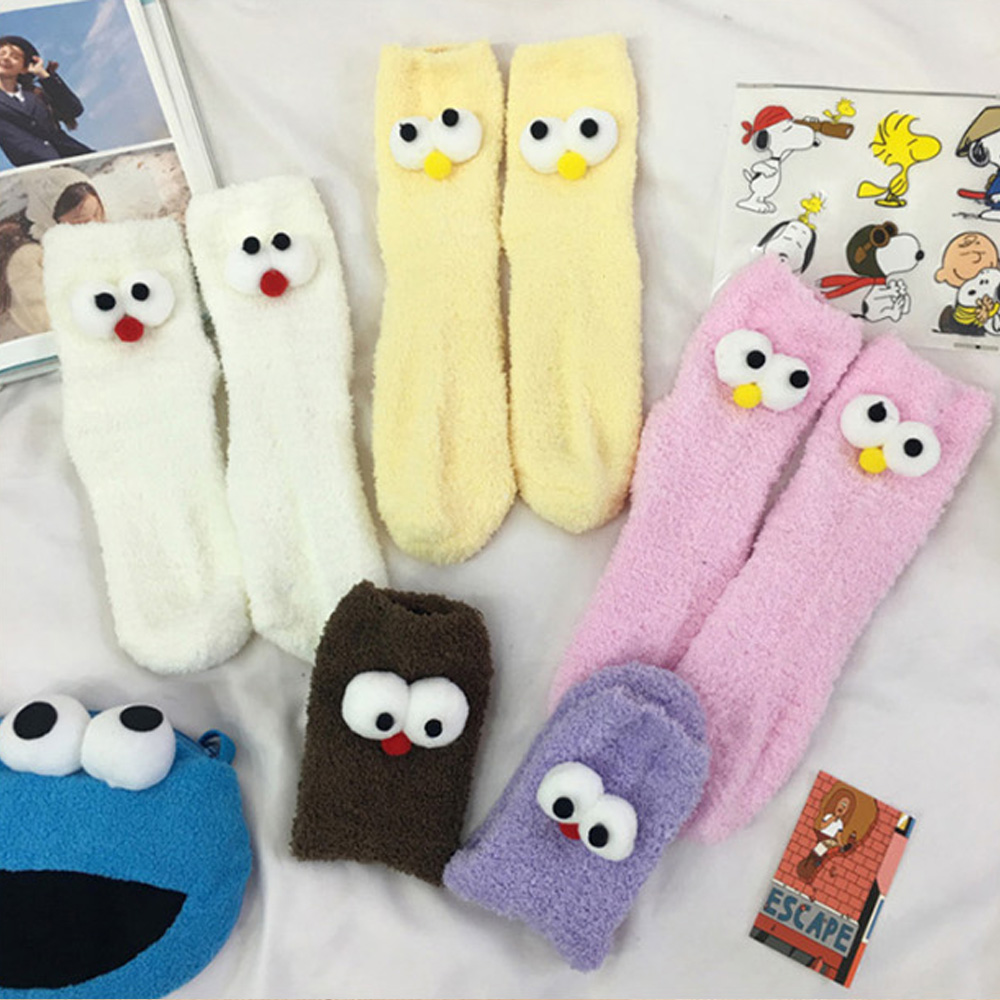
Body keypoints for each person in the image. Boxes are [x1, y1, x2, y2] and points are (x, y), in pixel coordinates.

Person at [0, 167, 105, 344]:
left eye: (97, 213)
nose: (95, 225)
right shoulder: (27, 259)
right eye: (81, 222)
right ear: (51, 221)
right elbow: (45, 324)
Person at [0, 34, 93, 168]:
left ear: (24, 69)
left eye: (15, 57)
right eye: (2, 54)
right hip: (40, 171)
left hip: (79, 158)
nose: (6, 58)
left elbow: (74, 109)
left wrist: (43, 75)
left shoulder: (36, 95)